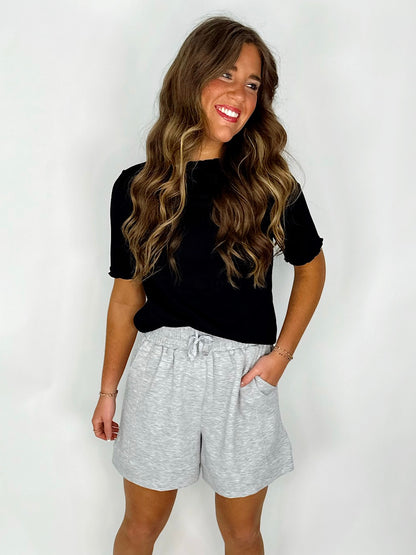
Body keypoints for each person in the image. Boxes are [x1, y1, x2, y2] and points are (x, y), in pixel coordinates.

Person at [92, 15, 325, 555]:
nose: (240, 95)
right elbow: (126, 296)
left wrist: (279, 358)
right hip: (162, 370)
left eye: (253, 84)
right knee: (140, 528)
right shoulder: (137, 187)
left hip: (243, 376)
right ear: (191, 77)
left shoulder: (270, 183)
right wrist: (108, 391)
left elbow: (311, 268)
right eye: (227, 74)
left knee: (242, 533)